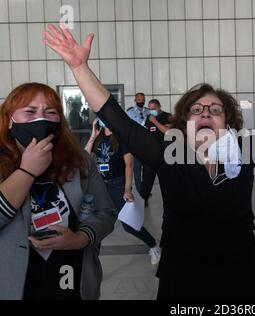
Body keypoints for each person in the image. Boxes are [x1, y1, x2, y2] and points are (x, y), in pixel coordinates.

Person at [44, 24, 255, 300]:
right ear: (184, 124)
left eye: (215, 109)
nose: (206, 113)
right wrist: (79, 68)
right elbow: (117, 120)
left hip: (239, 278)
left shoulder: (245, 152)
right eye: (196, 109)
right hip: (181, 279)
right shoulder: (166, 153)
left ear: (228, 122)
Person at [0, 82, 117, 300]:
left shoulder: (79, 161)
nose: (41, 119)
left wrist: (80, 238)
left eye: (50, 112)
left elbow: (105, 212)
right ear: (9, 120)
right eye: (30, 112)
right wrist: (27, 170)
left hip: (73, 283)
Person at [84, 118, 161, 265]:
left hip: (117, 185)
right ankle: (92, 258)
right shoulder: (99, 137)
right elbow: (85, 158)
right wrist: (93, 135)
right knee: (95, 222)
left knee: (128, 224)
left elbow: (129, 165)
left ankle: (153, 245)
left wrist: (127, 189)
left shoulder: (121, 138)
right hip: (100, 185)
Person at [139, 99, 171, 205]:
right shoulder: (148, 118)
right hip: (150, 156)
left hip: (165, 156)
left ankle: (169, 204)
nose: (152, 110)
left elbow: (168, 132)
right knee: (146, 183)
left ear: (159, 107)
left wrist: (155, 122)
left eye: (154, 108)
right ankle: (143, 202)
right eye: (150, 109)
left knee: (167, 183)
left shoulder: (167, 116)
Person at [126, 93, 152, 204]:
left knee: (147, 172)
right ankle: (141, 195)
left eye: (143, 99)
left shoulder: (148, 112)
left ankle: (144, 192)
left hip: (147, 146)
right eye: (139, 99)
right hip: (135, 146)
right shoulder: (130, 112)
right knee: (136, 171)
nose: (141, 101)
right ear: (135, 100)